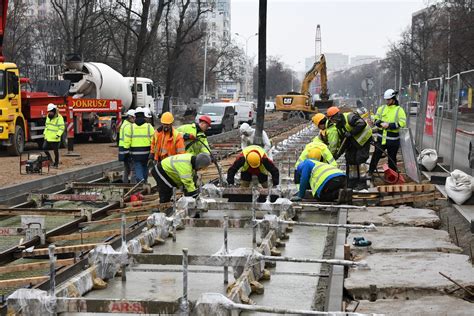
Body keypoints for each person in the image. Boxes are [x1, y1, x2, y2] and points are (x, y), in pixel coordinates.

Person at [326, 106, 372, 189]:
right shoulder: (339, 126)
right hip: (354, 141)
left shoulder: (350, 117)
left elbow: (362, 123)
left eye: (332, 119)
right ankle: (352, 182)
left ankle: (362, 182)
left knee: (360, 159)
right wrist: (337, 155)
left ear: (336, 116)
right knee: (350, 159)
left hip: (364, 139)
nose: (332, 121)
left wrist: (351, 133)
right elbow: (344, 141)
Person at [368, 89, 407, 174]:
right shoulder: (381, 108)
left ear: (393, 99)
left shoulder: (399, 110)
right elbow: (376, 119)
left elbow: (402, 123)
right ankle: (370, 172)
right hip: (381, 140)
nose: (387, 101)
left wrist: (389, 125)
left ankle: (393, 175)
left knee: (392, 159)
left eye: (389, 100)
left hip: (393, 141)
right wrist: (379, 123)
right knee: (376, 155)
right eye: (386, 100)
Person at [123, 107, 154, 182]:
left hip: (135, 152)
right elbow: (154, 140)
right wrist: (152, 152)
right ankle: (144, 181)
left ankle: (140, 181)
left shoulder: (131, 127)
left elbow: (127, 141)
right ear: (143, 116)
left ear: (135, 116)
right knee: (145, 166)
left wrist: (126, 151)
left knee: (138, 166)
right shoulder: (149, 127)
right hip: (146, 152)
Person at [43, 103, 64, 168]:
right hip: (48, 137)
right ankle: (50, 161)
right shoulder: (48, 116)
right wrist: (45, 134)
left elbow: (61, 127)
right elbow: (47, 126)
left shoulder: (59, 117)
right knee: (44, 148)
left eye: (51, 111)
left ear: (54, 110)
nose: (50, 113)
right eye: (49, 111)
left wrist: (58, 135)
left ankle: (56, 164)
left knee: (56, 151)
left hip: (55, 138)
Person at [118, 109, 136, 183]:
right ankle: (132, 187)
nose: (135, 119)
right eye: (134, 118)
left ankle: (125, 185)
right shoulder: (129, 126)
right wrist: (130, 150)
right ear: (130, 117)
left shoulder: (124, 124)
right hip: (127, 150)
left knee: (126, 169)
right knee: (134, 169)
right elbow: (128, 140)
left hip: (122, 150)